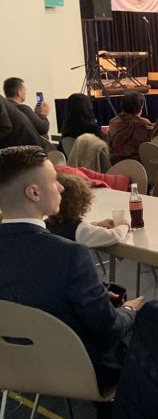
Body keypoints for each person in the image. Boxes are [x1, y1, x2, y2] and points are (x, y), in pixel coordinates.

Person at [0, 146, 143, 389]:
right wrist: (129, 310)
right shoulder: (70, 255)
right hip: (79, 368)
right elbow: (109, 330)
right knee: (155, 319)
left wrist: (95, 295)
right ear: (34, 192)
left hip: (12, 365)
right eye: (54, 181)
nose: (62, 188)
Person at [46, 173, 129, 248]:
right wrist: (123, 226)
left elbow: (84, 232)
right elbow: (113, 236)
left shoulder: (45, 224)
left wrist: (97, 224)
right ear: (81, 204)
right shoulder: (79, 230)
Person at [108, 91, 153, 164]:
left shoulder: (113, 123)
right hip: (140, 166)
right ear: (141, 107)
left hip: (117, 165)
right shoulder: (145, 125)